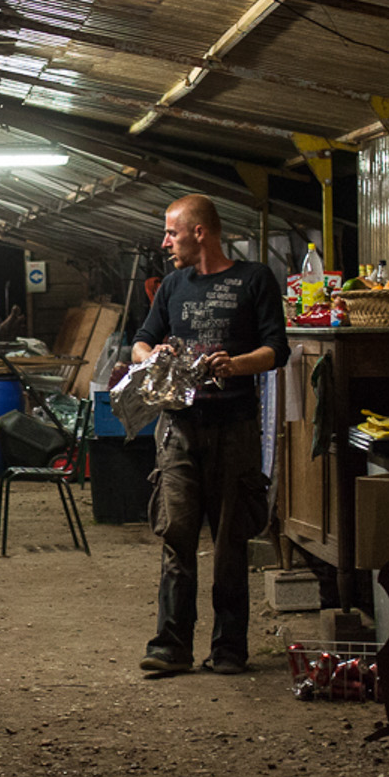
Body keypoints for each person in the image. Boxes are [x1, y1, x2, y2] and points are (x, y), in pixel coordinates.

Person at [129, 194, 287, 678]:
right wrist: (152, 359)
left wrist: (235, 365)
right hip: (178, 428)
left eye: (171, 232)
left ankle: (229, 649)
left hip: (234, 427)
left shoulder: (254, 279)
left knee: (230, 540)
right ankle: (170, 646)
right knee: (176, 535)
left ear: (199, 232)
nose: (165, 242)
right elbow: (139, 341)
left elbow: (276, 349)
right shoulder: (173, 285)